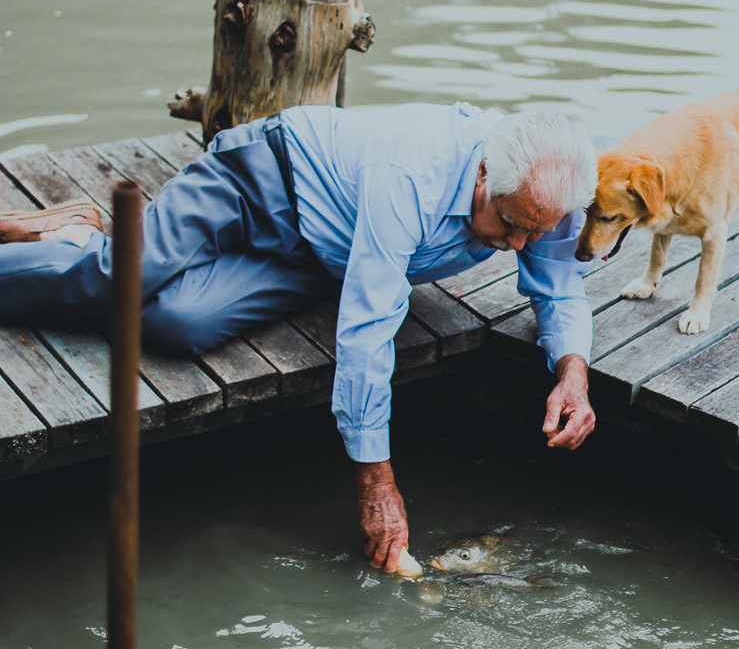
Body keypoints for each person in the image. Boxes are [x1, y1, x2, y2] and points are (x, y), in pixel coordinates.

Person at [0, 102, 599, 573]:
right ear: (485, 174)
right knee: (122, 278)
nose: (521, 245)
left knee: (173, 324)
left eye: (535, 230)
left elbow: (559, 288)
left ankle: (77, 233)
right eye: (512, 225)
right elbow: (367, 331)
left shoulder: (549, 195)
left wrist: (573, 373)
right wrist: (376, 483)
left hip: (320, 257)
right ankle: (84, 243)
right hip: (258, 179)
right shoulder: (412, 171)